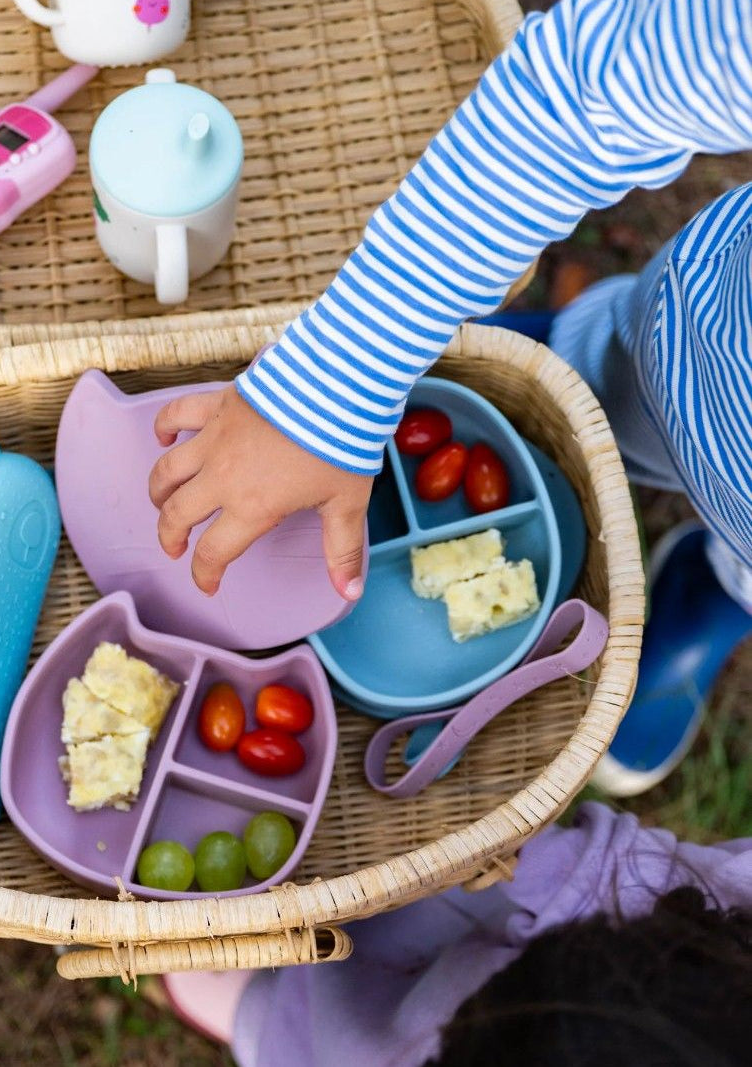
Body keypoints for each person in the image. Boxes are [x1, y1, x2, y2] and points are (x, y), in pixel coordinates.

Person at [147, 0, 752, 794]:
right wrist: (334, 377)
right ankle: (554, 361)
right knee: (595, 379)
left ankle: (717, 590)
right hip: (692, 346)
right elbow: (586, 91)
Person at [162, 803, 752, 1066]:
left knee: (295, 1032)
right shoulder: (713, 925)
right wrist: (529, 848)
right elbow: (624, 875)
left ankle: (261, 1011)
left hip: (345, 1042)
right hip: (469, 910)